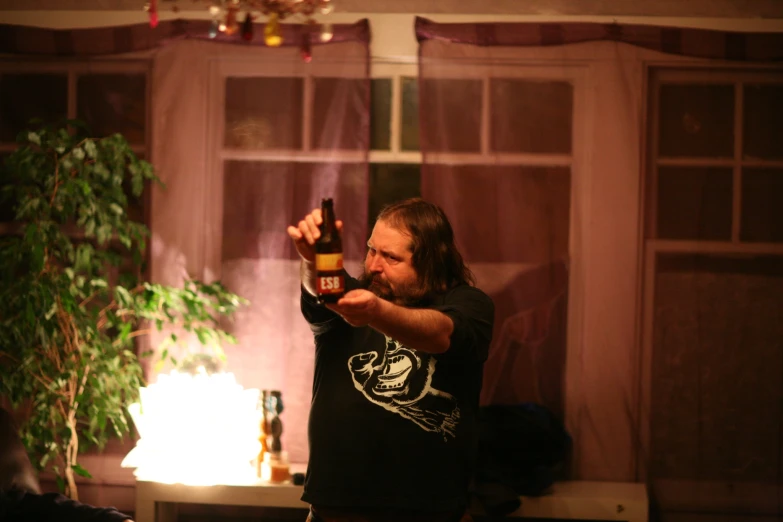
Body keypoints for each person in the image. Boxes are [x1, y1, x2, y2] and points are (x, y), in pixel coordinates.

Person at [287, 198, 495, 522]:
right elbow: (323, 290)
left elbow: (440, 334)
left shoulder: (469, 304)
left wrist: (376, 312)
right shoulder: (354, 297)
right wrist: (312, 259)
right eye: (372, 250)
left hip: (432, 513)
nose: (373, 266)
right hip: (335, 512)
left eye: (390, 257)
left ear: (430, 262)